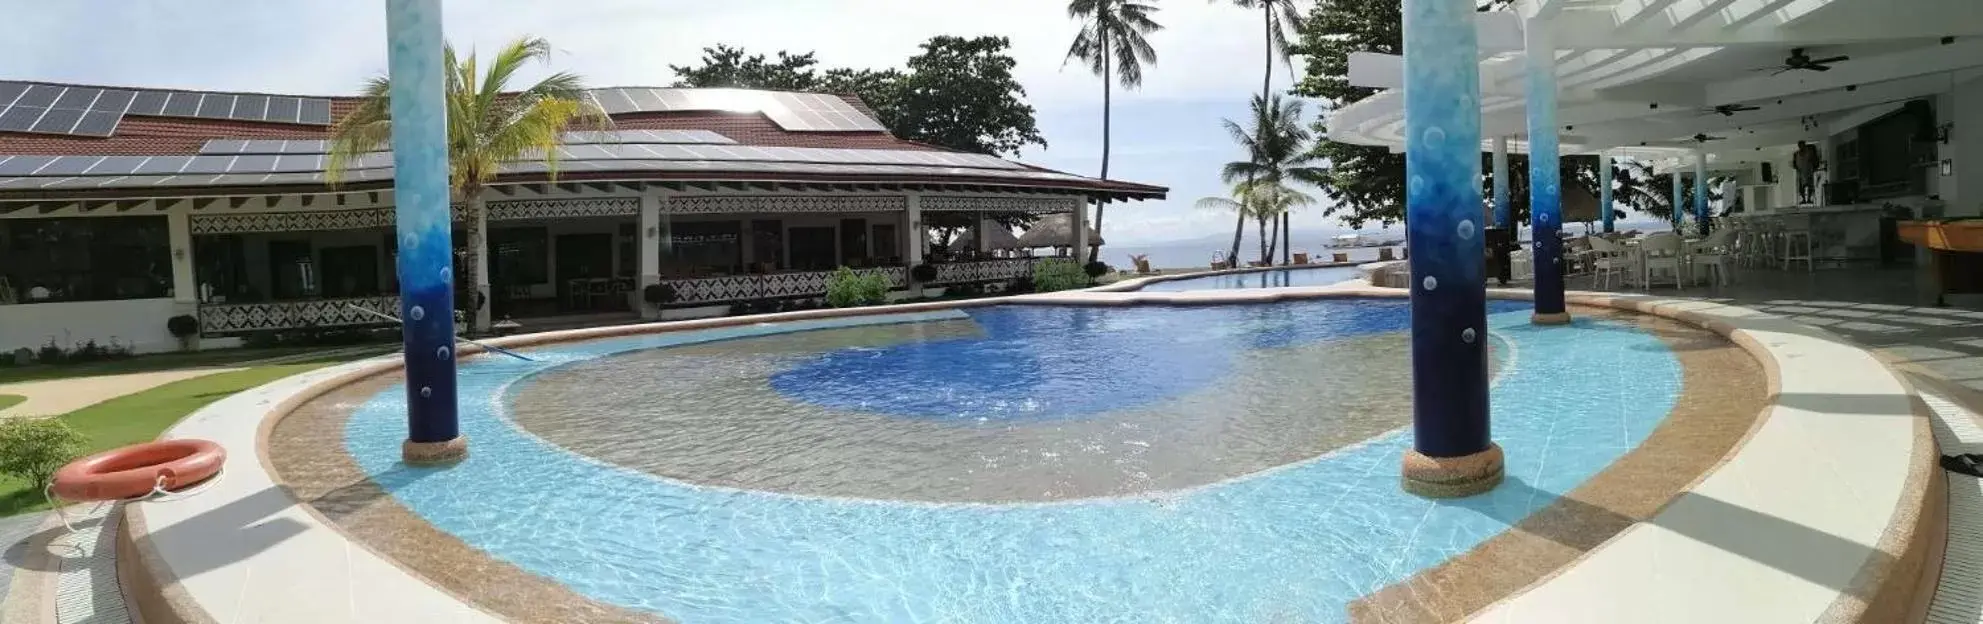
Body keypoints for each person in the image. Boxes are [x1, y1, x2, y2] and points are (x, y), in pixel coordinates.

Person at [1793, 141, 1821, 205]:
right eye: (1800, 146)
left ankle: (1809, 199)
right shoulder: (1796, 154)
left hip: (1809, 171)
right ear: (1799, 146)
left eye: (1803, 145)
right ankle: (1803, 199)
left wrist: (1814, 167)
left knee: (1810, 185)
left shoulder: (1809, 153)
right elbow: (1794, 163)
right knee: (1801, 187)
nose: (1802, 147)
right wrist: (1797, 168)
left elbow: (1815, 161)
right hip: (1801, 172)